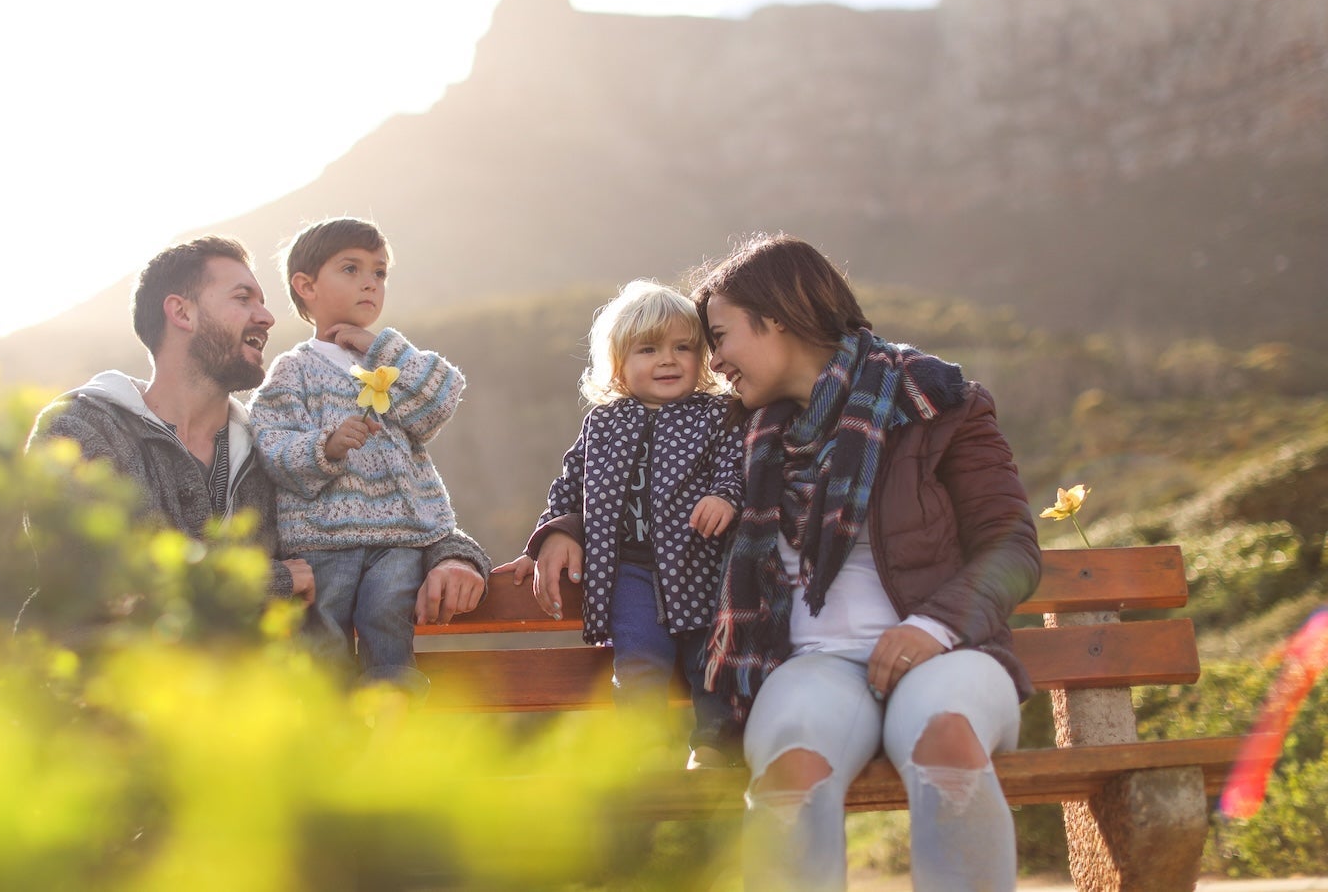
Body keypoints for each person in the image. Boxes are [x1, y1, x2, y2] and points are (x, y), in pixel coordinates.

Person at [690, 235, 1041, 892]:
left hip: (950, 652)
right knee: (790, 774)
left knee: (947, 745)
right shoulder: (734, 433)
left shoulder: (937, 400)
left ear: (777, 319)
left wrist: (931, 627)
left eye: (721, 335)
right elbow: (626, 481)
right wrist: (561, 529)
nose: (716, 361)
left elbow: (1013, 544)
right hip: (812, 664)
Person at [502, 280, 746, 768]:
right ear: (618, 364)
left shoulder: (717, 415)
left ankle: (714, 746)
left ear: (703, 359)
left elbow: (736, 462)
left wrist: (726, 496)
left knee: (710, 661)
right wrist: (547, 535)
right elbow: (570, 483)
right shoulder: (604, 422)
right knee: (638, 661)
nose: (668, 360)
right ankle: (648, 747)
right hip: (628, 570)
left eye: (683, 348)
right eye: (648, 349)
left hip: (700, 561)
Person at [249, 217, 489, 690]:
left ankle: (393, 710)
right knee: (324, 632)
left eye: (379, 273)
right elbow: (270, 443)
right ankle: (329, 726)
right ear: (306, 286)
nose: (369, 283)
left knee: (386, 617)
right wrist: (326, 446)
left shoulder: (389, 358)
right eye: (351, 269)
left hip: (401, 536)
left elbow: (439, 400)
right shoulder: (293, 369)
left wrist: (384, 348)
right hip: (322, 539)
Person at [27, 235, 313, 605]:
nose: (267, 317)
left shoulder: (272, 452)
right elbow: (95, 583)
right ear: (181, 313)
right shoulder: (78, 430)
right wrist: (268, 580)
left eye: (262, 302)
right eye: (243, 299)